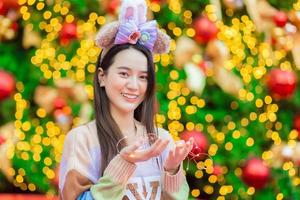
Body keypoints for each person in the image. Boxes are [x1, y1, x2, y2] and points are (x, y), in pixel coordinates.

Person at [59, 0, 193, 199]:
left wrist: (172, 171)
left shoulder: (162, 140)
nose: (134, 85)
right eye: (124, 74)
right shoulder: (83, 139)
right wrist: (122, 165)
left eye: (143, 77)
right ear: (101, 76)